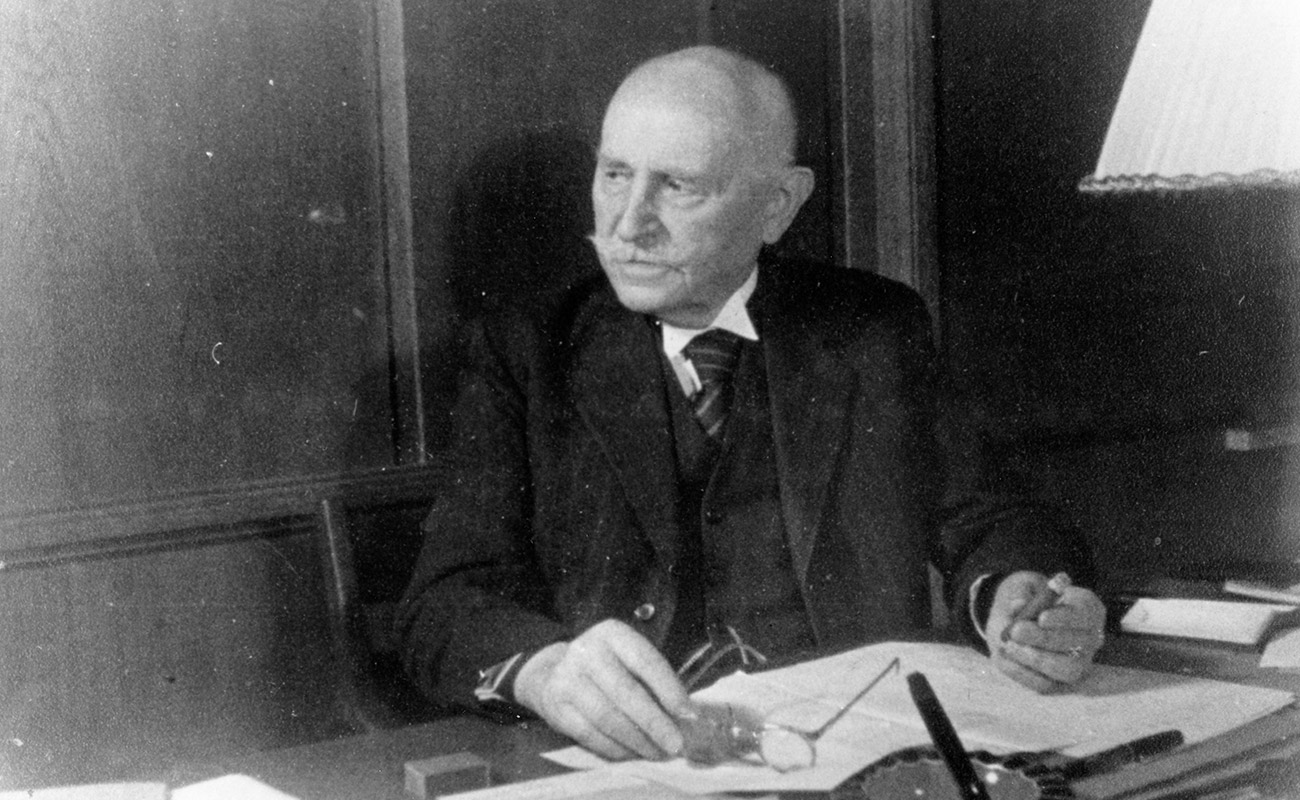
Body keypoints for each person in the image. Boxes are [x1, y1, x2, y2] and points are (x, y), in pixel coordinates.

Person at [397, 45, 1107, 763]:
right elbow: (441, 604)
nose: (628, 225)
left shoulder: (870, 329)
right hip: (633, 764)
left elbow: (991, 518)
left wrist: (1017, 599)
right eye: (614, 175)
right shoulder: (528, 350)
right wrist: (546, 672)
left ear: (777, 206)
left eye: (677, 186)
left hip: (853, 750)